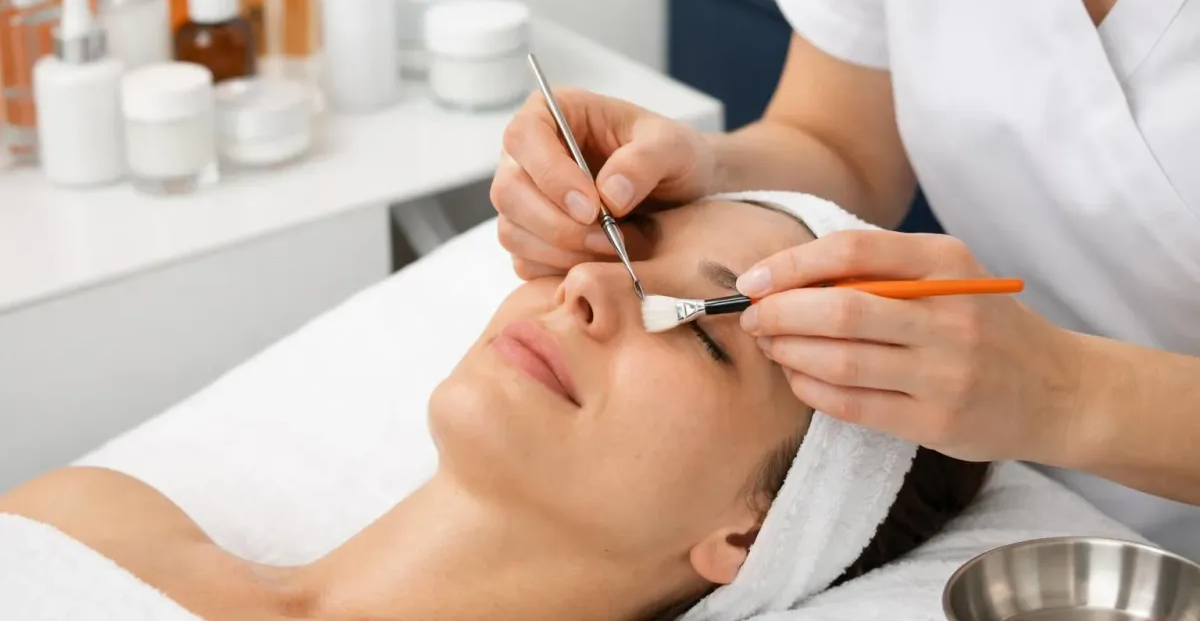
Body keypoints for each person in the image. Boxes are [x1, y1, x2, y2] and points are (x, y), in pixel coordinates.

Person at [489, 0, 1200, 556]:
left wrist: (1065, 393)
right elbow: (842, 145)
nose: (583, 288)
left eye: (707, 341)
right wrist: (707, 169)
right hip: (1007, 492)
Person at [0, 199, 989, 620]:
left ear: (752, 530)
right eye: (617, 248)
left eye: (700, 330)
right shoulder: (90, 521)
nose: (588, 288)